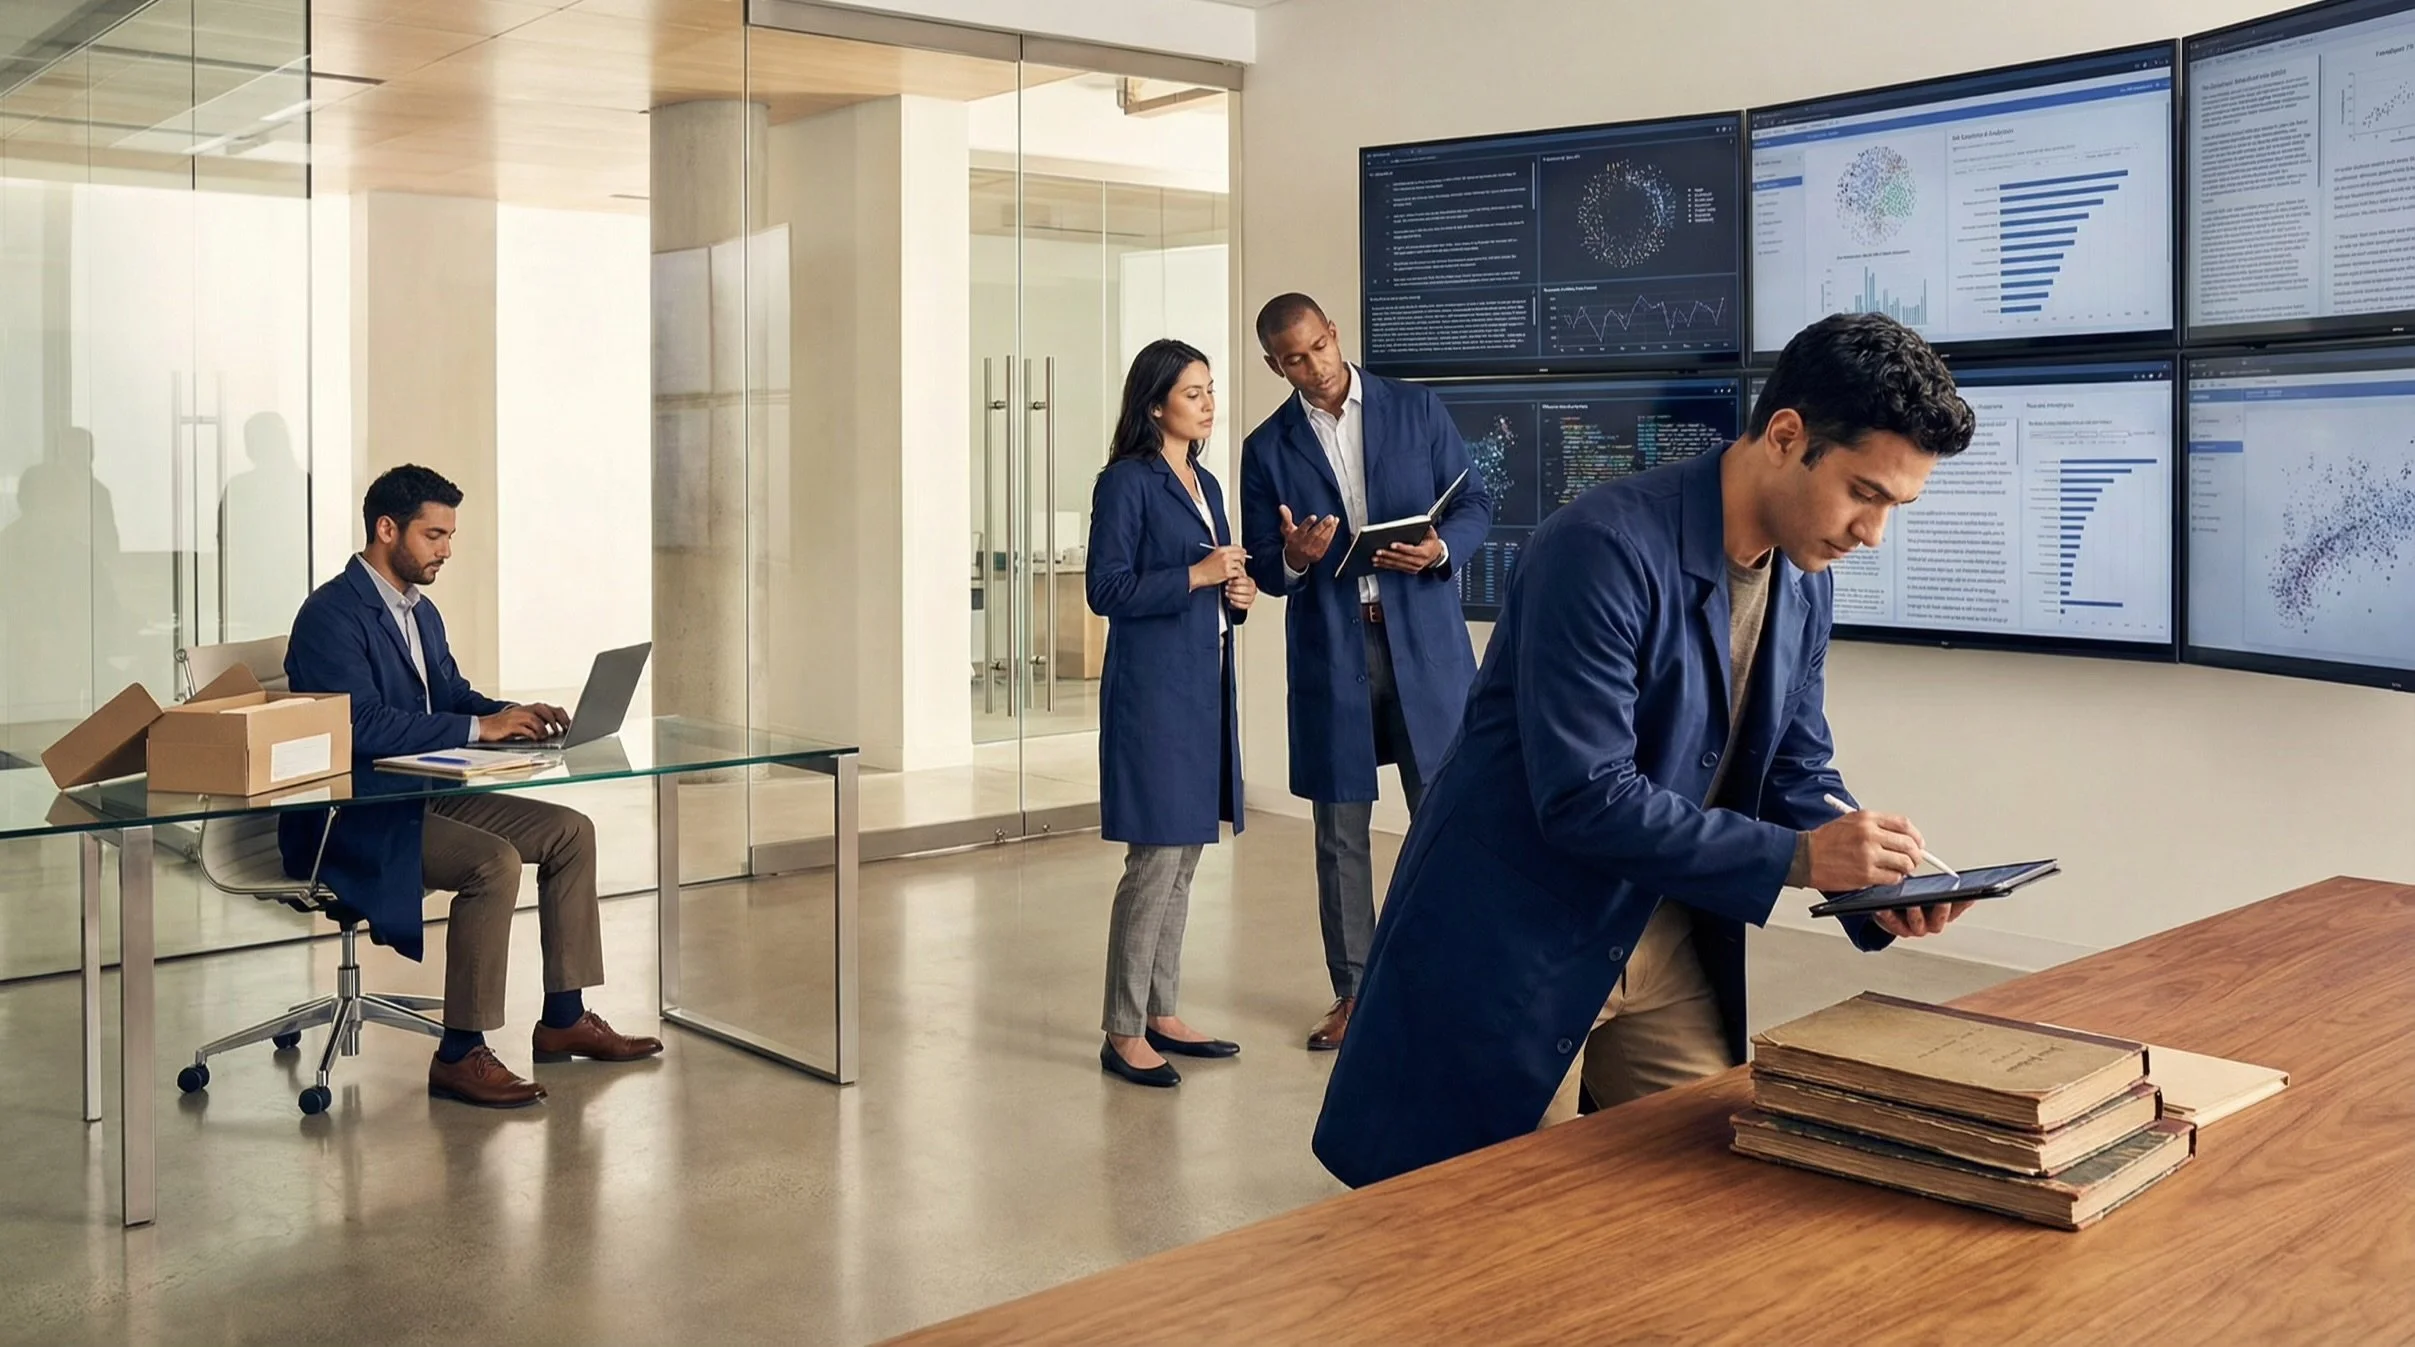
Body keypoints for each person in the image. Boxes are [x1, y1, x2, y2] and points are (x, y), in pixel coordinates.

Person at [1312, 313, 1980, 1188]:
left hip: (1664, 937)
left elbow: (1792, 769)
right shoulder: (1600, 547)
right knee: (1486, 1236)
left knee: (1707, 1201)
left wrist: (1874, 877)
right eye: (1865, 493)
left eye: (1897, 505)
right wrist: (1802, 858)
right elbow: (1585, 796)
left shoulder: (1803, 587)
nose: (1873, 533)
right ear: (1786, 436)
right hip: (1519, 936)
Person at [281, 465, 661, 1110]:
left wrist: (516, 718)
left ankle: (564, 1015)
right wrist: (478, 728)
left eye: (450, 536)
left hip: (423, 790)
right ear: (385, 529)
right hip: (354, 813)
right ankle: (460, 1054)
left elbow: (450, 696)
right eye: (435, 536)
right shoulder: (331, 615)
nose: (447, 551)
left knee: (570, 830)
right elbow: (360, 726)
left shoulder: (419, 612)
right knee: (493, 861)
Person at [1237, 293, 1493, 1052]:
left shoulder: (1414, 408)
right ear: (1272, 365)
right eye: (1292, 360)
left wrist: (1441, 550)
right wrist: (1293, 558)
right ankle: (1356, 994)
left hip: (1424, 649)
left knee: (1443, 824)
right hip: (1333, 654)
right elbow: (1262, 562)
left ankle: (1455, 979)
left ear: (1333, 333)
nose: (1311, 368)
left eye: (1317, 348)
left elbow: (1474, 499)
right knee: (1340, 834)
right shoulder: (1266, 447)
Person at [1086, 340, 1256, 1088]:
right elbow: (1108, 590)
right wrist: (1195, 573)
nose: (1207, 402)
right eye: (1192, 392)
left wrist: (1235, 596)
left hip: (1203, 684)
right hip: (1153, 693)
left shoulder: (1206, 481)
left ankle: (1161, 1009)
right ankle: (1121, 1030)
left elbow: (1214, 584)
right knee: (1153, 861)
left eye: (1210, 390)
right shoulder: (1125, 483)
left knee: (1185, 856)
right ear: (1155, 404)